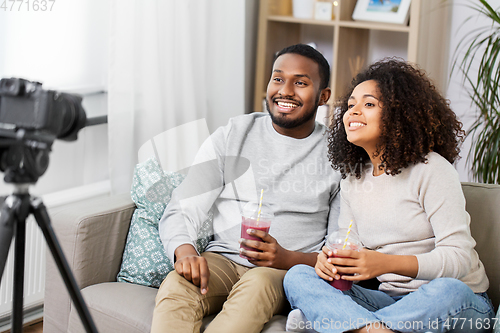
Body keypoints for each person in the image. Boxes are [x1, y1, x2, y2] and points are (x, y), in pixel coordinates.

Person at [283, 59, 495, 333]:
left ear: (399, 115)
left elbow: (458, 259)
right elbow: (350, 248)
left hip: (460, 303)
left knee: (447, 290)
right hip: (390, 303)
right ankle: (375, 329)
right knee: (299, 275)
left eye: (368, 104)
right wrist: (331, 262)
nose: (353, 112)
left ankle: (340, 324)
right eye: (350, 105)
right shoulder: (354, 178)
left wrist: (383, 263)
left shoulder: (431, 169)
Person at [150, 44, 342, 333]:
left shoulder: (337, 156)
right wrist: (185, 250)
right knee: (178, 284)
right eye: (278, 79)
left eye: (300, 82)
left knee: (258, 285)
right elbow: (183, 205)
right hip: (222, 260)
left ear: (323, 96)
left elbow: (338, 251)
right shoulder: (233, 134)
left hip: (281, 273)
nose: (285, 90)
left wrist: (287, 258)